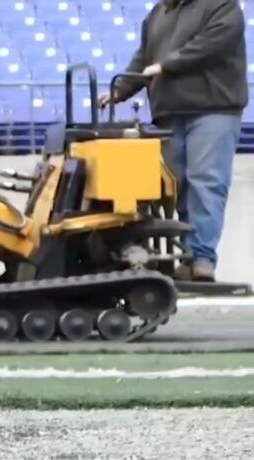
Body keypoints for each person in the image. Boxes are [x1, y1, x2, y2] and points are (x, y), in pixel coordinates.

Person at [100, 0, 248, 282]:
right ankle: (186, 256)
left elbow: (211, 44)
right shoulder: (158, 13)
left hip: (213, 107)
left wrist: (167, 65)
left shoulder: (221, 5)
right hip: (169, 111)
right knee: (175, 186)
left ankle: (202, 257)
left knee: (205, 181)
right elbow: (144, 58)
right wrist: (120, 90)